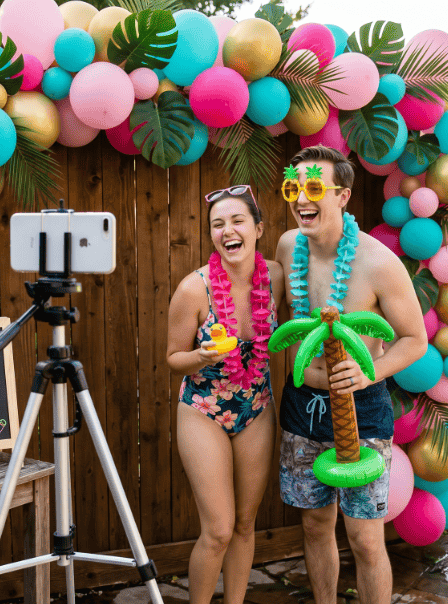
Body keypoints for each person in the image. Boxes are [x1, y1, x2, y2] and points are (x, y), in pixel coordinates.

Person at [275, 146, 426, 604]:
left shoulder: (378, 263)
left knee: (364, 536)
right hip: (302, 406)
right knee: (315, 526)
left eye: (315, 188)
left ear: (342, 196)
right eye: (294, 187)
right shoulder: (286, 246)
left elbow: (414, 339)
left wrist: (368, 375)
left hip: (362, 409)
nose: (303, 198)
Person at [166, 184, 285, 604]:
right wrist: (199, 354)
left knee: (245, 525)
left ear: (258, 228)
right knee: (217, 530)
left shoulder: (275, 276)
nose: (227, 231)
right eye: (218, 224)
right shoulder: (193, 289)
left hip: (257, 408)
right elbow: (172, 358)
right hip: (203, 409)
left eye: (237, 221)